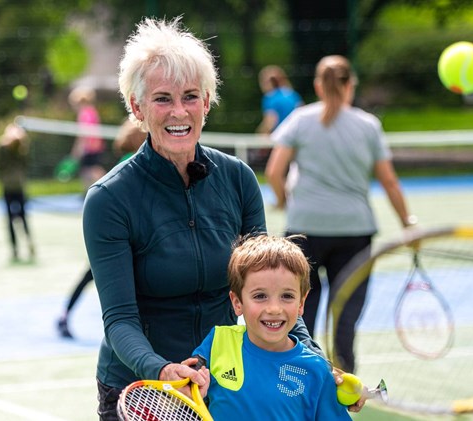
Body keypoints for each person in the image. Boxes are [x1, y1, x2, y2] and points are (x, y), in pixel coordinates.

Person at [82, 17, 324, 420]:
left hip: (225, 381)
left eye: (190, 96)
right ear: (137, 107)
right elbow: (120, 319)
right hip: (144, 388)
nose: (179, 111)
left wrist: (314, 360)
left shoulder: (238, 179)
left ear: (207, 103)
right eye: (162, 98)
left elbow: (268, 286)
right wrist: (160, 368)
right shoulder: (109, 200)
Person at [265, 55, 416, 373]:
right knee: (346, 312)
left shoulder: (299, 119)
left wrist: (283, 200)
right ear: (350, 87)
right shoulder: (368, 125)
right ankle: (344, 378)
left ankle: (299, 376)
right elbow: (389, 181)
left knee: (300, 308)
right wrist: (408, 223)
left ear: (318, 86)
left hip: (303, 230)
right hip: (355, 230)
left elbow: (274, 171)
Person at [191, 234, 352, 420]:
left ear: (301, 303)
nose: (274, 309)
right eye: (260, 296)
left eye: (287, 296)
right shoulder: (217, 342)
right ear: (237, 302)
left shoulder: (316, 370)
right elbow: (189, 388)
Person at [56, 119, 146, 339]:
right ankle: (66, 315)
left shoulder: (138, 161)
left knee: (92, 276)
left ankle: (65, 315)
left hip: (125, 235)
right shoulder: (136, 162)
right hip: (123, 237)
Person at [0, 123, 35, 262]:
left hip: (9, 186)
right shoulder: (22, 148)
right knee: (22, 217)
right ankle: (27, 242)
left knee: (11, 218)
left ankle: (16, 248)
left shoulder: (3, 148)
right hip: (18, 186)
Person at [252, 65, 304, 168]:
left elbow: (270, 122)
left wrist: (258, 138)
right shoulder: (294, 95)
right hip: (297, 140)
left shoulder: (270, 98)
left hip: (281, 142)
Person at [69, 86, 106, 188]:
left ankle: (102, 189)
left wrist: (77, 151)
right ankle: (90, 192)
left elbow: (83, 134)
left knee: (91, 170)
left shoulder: (84, 113)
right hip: (95, 147)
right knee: (89, 170)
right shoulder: (92, 111)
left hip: (90, 148)